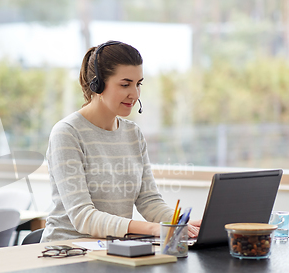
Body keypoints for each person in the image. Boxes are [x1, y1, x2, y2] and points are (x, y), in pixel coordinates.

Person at [41, 41, 200, 242]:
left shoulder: (133, 133)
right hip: (67, 252)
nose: (134, 94)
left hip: (113, 250)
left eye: (138, 84)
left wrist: (179, 225)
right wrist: (153, 229)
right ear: (97, 85)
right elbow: (83, 217)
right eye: (125, 84)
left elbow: (148, 200)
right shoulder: (67, 133)